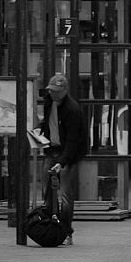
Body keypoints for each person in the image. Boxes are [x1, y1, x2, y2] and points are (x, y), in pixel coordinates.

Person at [39, 73, 88, 246]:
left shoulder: (72, 110)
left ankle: (66, 231)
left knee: (65, 195)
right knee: (47, 190)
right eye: (52, 91)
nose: (54, 94)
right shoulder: (48, 102)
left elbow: (73, 140)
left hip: (68, 154)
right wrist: (40, 134)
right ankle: (50, 226)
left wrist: (63, 161)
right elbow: (47, 123)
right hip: (51, 150)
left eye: (58, 92)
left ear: (65, 91)